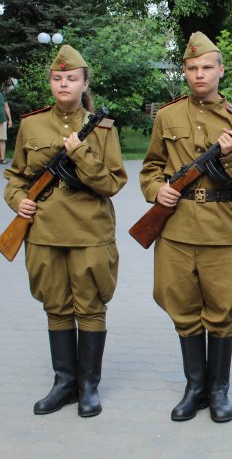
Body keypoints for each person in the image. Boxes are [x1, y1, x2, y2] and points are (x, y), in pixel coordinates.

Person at [139, 32, 232, 423]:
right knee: (184, 310)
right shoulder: (167, 116)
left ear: (220, 71)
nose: (199, 74)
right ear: (185, 72)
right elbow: (150, 169)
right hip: (176, 230)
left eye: (207, 67)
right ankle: (194, 388)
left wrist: (230, 157)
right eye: (192, 68)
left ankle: (219, 390)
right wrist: (157, 190)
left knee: (223, 310)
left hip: (224, 230)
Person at [3, 45, 127, 417]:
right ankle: (63, 383)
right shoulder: (32, 125)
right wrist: (18, 202)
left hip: (90, 233)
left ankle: (89, 386)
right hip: (43, 233)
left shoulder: (103, 129)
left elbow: (112, 183)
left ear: (84, 82)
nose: (64, 84)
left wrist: (80, 153)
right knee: (56, 307)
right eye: (58, 78)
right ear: (51, 83)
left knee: (90, 307)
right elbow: (16, 178)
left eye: (71, 78)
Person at [0, 88, 12, 163]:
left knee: (2, 139)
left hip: (2, 119)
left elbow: (6, 107)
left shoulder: (2, 93)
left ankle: (2, 158)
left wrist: (10, 119)